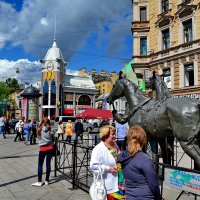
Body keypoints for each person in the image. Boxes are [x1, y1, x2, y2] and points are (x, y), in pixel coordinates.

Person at [117, 125, 161, 200]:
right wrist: (158, 197)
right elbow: (153, 184)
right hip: (145, 197)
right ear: (143, 140)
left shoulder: (123, 156)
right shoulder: (144, 159)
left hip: (130, 196)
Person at [90, 125, 125, 199]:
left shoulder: (115, 145)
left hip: (121, 182)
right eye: (112, 134)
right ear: (106, 136)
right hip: (110, 185)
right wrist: (108, 168)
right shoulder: (98, 149)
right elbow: (93, 166)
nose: (115, 136)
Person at [31, 118, 55, 187]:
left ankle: (39, 181)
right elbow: (53, 139)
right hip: (50, 148)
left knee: (40, 165)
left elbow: (38, 138)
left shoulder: (39, 129)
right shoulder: (51, 129)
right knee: (48, 164)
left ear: (42, 122)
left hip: (42, 149)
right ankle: (47, 180)